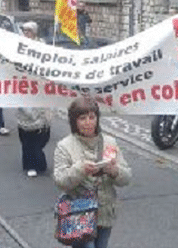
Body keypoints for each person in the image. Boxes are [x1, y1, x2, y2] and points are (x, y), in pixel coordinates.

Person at [53, 97, 131, 248]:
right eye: (82, 118)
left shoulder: (110, 142)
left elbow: (126, 177)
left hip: (105, 212)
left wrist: (114, 171)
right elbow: (60, 180)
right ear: (74, 121)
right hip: (79, 213)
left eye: (92, 117)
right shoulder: (64, 146)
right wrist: (80, 169)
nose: (88, 122)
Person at [17, 21, 50, 177]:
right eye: (24, 31)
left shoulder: (42, 47)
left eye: (29, 31)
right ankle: (30, 164)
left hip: (40, 92)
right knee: (27, 135)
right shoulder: (19, 48)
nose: (26, 34)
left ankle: (39, 160)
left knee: (42, 134)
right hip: (24, 91)